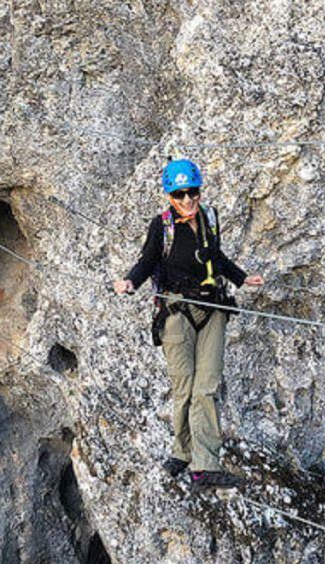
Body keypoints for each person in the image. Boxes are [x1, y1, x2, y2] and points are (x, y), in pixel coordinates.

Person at [114, 159, 264, 492]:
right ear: (170, 195)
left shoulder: (209, 218)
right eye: (179, 194)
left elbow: (217, 256)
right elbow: (148, 261)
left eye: (192, 192)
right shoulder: (162, 226)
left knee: (205, 388)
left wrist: (241, 278)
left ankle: (204, 467)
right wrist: (130, 282)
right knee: (183, 389)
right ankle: (181, 453)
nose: (187, 200)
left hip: (213, 309)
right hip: (176, 313)